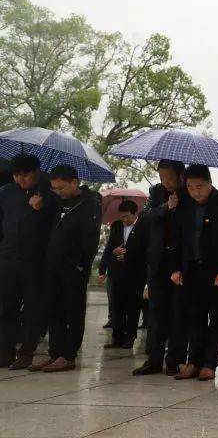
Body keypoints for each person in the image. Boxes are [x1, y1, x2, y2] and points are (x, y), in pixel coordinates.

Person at [168, 164, 218, 381]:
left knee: (216, 318)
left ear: (210, 183)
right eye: (190, 187)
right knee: (194, 318)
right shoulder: (183, 203)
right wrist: (176, 267)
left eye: (199, 187)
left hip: (217, 272)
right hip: (191, 269)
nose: (195, 191)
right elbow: (177, 239)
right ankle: (193, 362)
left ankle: (210, 363)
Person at [32, 165, 102, 372]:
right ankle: (55, 353)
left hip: (73, 268)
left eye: (61, 187)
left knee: (71, 310)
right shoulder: (54, 203)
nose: (57, 191)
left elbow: (90, 239)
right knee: (53, 310)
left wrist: (80, 265)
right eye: (54, 188)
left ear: (74, 182)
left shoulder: (90, 204)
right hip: (52, 265)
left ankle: (68, 355)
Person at [0, 154, 58, 370]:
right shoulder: (6, 193)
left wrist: (38, 211)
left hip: (35, 261)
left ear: (35, 172)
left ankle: (27, 351)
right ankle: (5, 351)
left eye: (24, 176)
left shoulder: (48, 195)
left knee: (32, 307)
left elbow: (54, 228)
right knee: (7, 306)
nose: (20, 180)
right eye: (16, 175)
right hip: (8, 258)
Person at [133, 160, 186, 376]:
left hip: (180, 263)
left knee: (178, 313)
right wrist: (166, 207)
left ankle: (174, 359)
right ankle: (153, 359)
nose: (166, 182)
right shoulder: (156, 193)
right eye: (162, 178)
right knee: (156, 313)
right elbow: (145, 218)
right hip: (158, 262)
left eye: (170, 178)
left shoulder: (189, 193)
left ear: (181, 176)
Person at [98, 200, 149, 350]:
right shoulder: (116, 226)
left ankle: (130, 337)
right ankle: (117, 337)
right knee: (117, 306)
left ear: (135, 214)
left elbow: (147, 252)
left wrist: (129, 257)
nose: (124, 220)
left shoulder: (144, 228)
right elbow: (109, 248)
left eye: (127, 217)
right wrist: (104, 267)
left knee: (132, 307)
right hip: (117, 273)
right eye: (122, 217)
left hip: (135, 274)